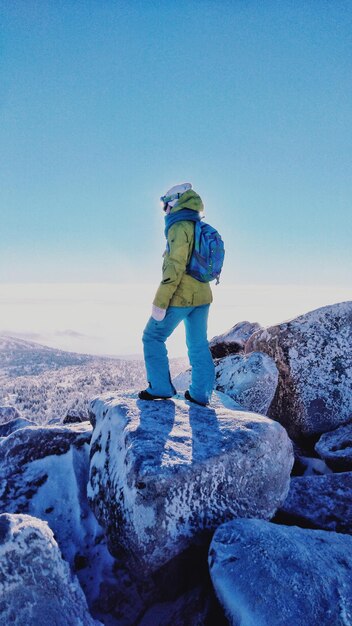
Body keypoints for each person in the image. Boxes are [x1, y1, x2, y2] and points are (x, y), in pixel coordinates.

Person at [138, 183, 215, 406]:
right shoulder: (197, 224)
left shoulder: (178, 227)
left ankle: (160, 387)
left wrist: (160, 302)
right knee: (198, 343)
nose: (165, 211)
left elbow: (174, 267)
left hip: (181, 296)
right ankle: (201, 394)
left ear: (174, 203)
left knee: (152, 337)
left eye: (165, 206)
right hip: (203, 295)